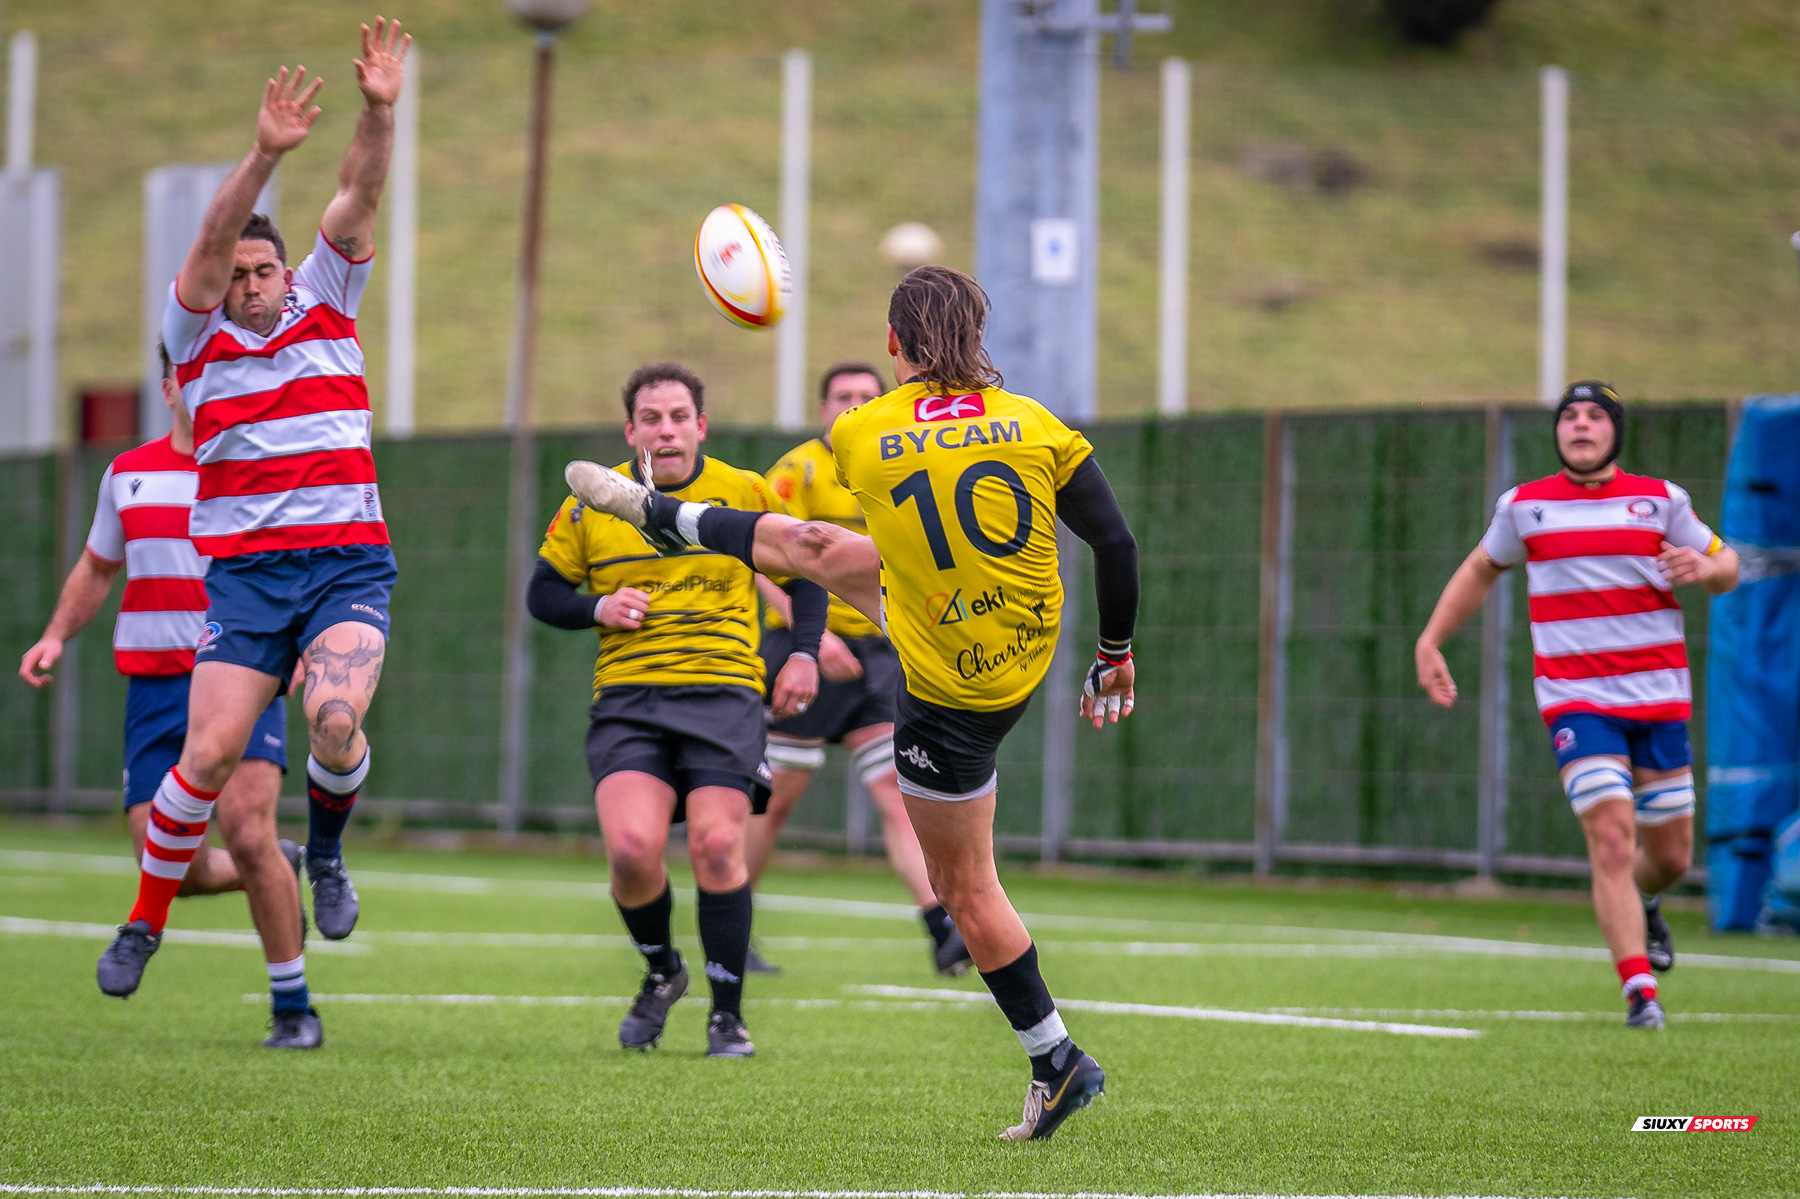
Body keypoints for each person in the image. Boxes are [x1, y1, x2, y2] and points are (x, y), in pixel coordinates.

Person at [564, 266, 1139, 1139]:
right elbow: (1114, 540)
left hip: (945, 689)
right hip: (1027, 644)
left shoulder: (862, 431)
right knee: (817, 546)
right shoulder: (1036, 423)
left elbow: (821, 516)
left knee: (963, 883)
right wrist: (1115, 654)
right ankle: (661, 514)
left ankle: (1057, 1060)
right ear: (981, 334)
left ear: (892, 345)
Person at [97, 19, 411, 1007]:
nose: (249, 283)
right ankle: (144, 922)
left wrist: (378, 107)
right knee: (207, 755)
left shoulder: (331, 299)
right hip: (247, 576)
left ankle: (324, 855)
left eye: (262, 268)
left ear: (289, 271)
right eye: (235, 272)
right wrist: (265, 153)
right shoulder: (195, 340)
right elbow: (205, 241)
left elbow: (359, 190)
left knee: (332, 721)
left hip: (347, 566)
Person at [1416, 381, 1740, 1030]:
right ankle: (1640, 992)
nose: (1582, 425)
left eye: (1596, 416)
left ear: (1616, 431)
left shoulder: (1660, 502)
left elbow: (1726, 561)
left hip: (1659, 699)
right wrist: (1430, 639)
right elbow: (1481, 569)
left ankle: (1645, 901)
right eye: (1570, 415)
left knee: (1672, 855)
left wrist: (1707, 570)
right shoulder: (1525, 508)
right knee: (1613, 839)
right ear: (1557, 432)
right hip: (1577, 702)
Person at [528, 363, 830, 1058]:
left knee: (717, 845)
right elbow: (543, 593)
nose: (666, 429)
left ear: (701, 426)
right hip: (629, 703)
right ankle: (664, 970)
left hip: (724, 695)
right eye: (651, 418)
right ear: (631, 430)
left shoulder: (743, 492)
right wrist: (596, 606)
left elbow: (804, 572)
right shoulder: (591, 503)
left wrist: (805, 652)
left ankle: (728, 1014)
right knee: (632, 853)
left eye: (678, 416)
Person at [21, 344, 313, 1046]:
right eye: (191, 375)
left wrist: (304, 649)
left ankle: (293, 1007)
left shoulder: (254, 472)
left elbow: (297, 567)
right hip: (153, 689)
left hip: (241, 675)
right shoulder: (128, 475)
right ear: (169, 386)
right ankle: (276, 865)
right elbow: (97, 567)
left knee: (245, 830)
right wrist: (56, 634)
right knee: (171, 868)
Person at [746, 360, 972, 979]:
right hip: (804, 655)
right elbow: (759, 555)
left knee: (896, 795)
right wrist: (808, 639)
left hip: (877, 656)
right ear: (822, 409)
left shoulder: (896, 467)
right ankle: (731, 921)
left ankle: (940, 927)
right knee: (776, 799)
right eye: (842, 395)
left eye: (866, 396)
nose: (853, 404)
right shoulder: (798, 470)